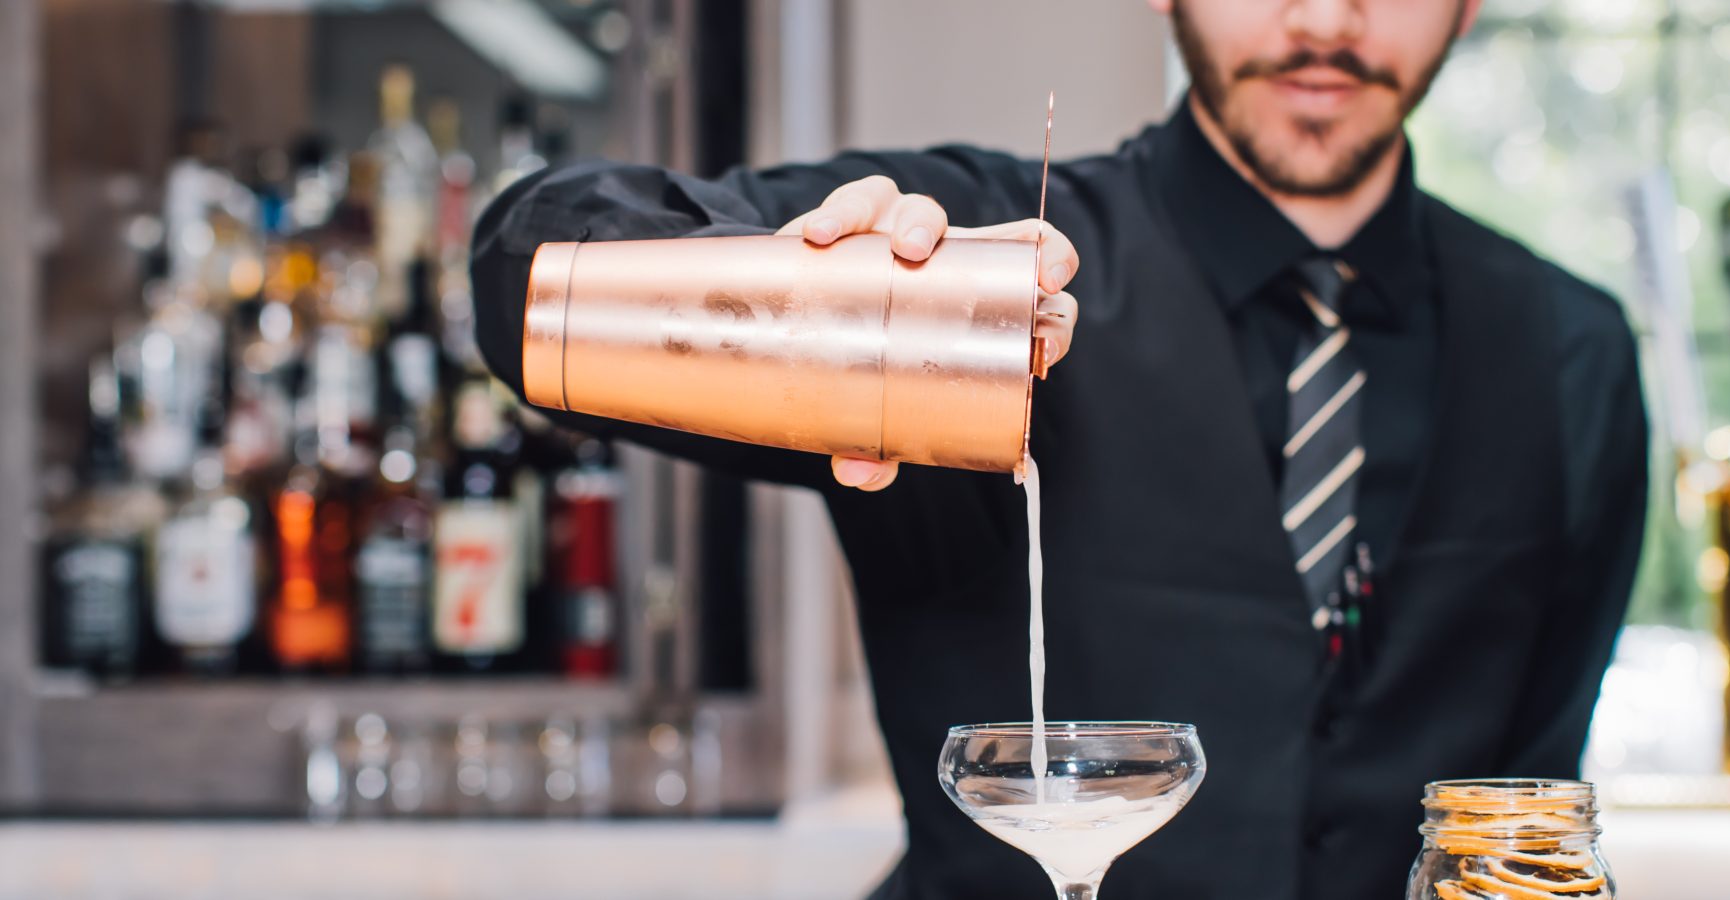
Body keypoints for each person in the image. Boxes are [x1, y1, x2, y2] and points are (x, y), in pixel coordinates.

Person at [471, 1, 1646, 897]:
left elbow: (1526, 829)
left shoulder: (1570, 350)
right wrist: (827, 304)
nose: (1325, 23)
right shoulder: (957, 264)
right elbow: (525, 277)